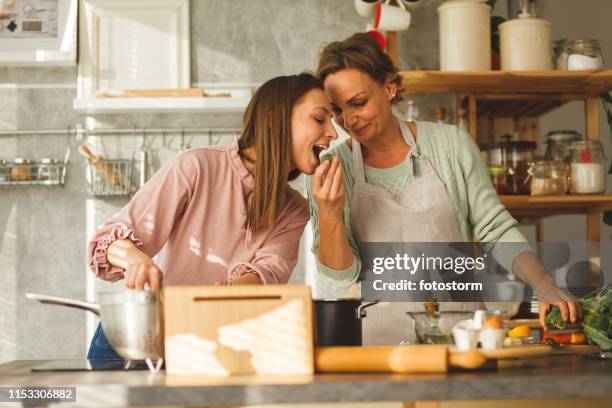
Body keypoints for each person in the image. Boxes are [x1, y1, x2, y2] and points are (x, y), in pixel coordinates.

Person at [307, 33, 580, 345]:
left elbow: (496, 229)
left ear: (389, 87)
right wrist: (328, 214)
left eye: (358, 103)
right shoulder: (330, 168)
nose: (349, 121)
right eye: (337, 110)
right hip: (380, 343)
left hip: (460, 335)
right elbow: (341, 274)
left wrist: (544, 284)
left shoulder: (451, 146)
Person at [86, 73, 338, 359]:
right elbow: (106, 241)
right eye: (320, 119)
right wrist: (136, 260)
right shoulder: (196, 166)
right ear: (273, 119)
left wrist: (229, 292)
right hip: (137, 340)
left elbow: (268, 273)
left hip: (210, 342)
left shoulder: (294, 209)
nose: (333, 132)